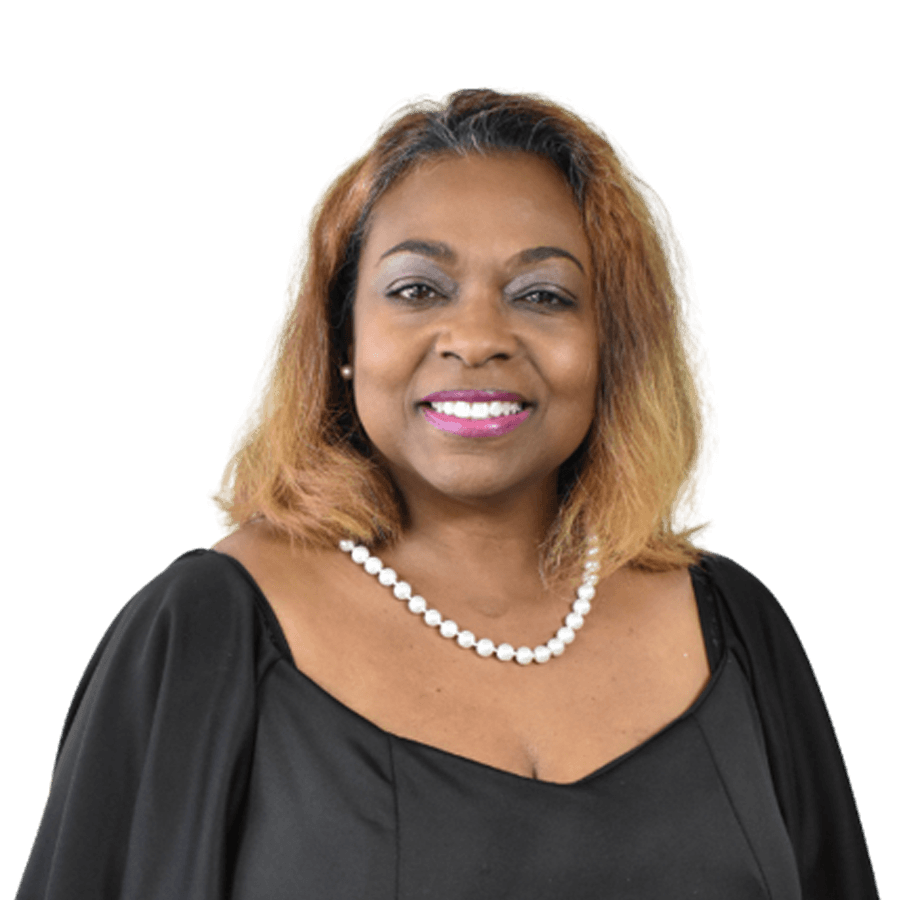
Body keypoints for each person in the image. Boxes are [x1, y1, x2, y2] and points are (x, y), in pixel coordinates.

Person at [16, 89, 879, 899]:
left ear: (612, 347)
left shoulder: (734, 625)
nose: (476, 338)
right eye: (417, 290)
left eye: (543, 295)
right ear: (342, 338)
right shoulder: (207, 629)